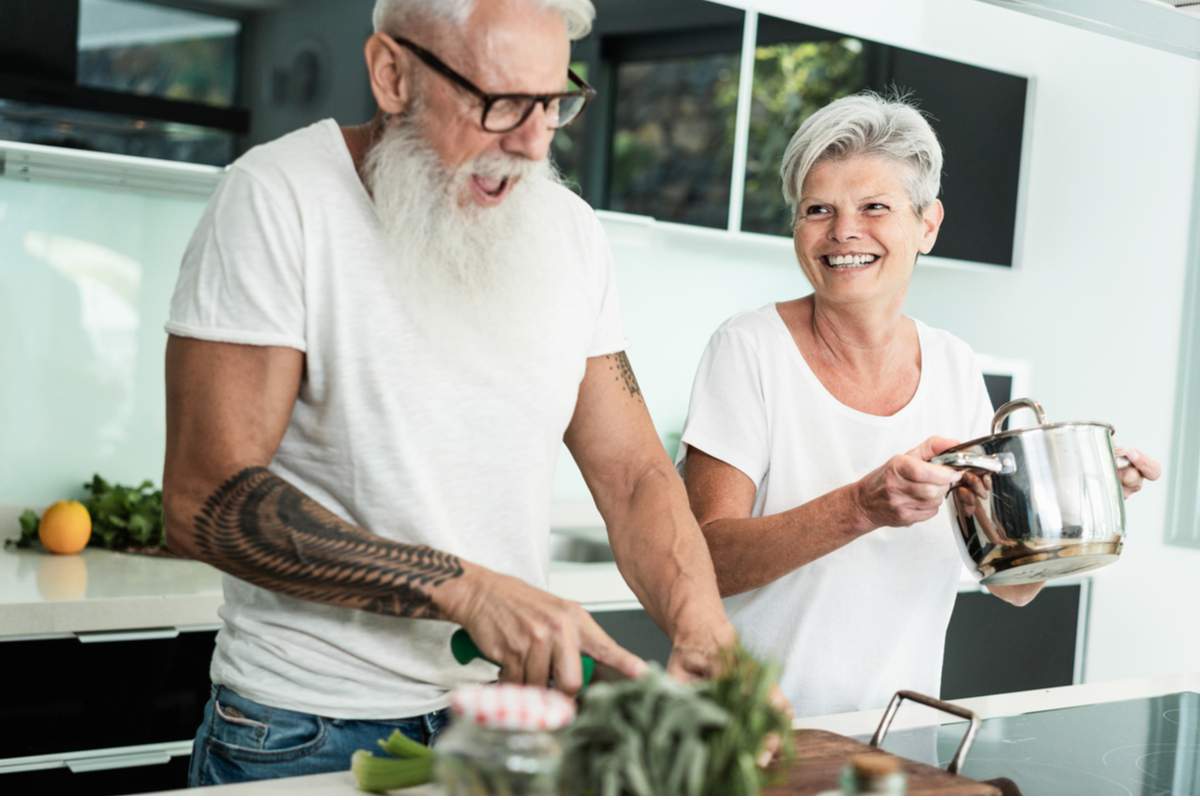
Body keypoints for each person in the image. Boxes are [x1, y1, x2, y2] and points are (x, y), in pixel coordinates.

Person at [163, 0, 736, 786]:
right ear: (392, 74)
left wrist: (700, 622)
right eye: (498, 103)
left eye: (552, 103)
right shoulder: (276, 199)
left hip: (503, 724)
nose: (532, 142)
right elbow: (205, 498)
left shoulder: (569, 234)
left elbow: (634, 473)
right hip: (305, 725)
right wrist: (465, 591)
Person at [675, 91, 1161, 717]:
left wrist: (1083, 497)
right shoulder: (748, 348)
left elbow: (1011, 584)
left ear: (927, 225)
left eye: (874, 207)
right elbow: (701, 565)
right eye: (817, 209)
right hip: (748, 738)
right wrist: (860, 507)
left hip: (896, 738)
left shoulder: (953, 364)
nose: (843, 232)